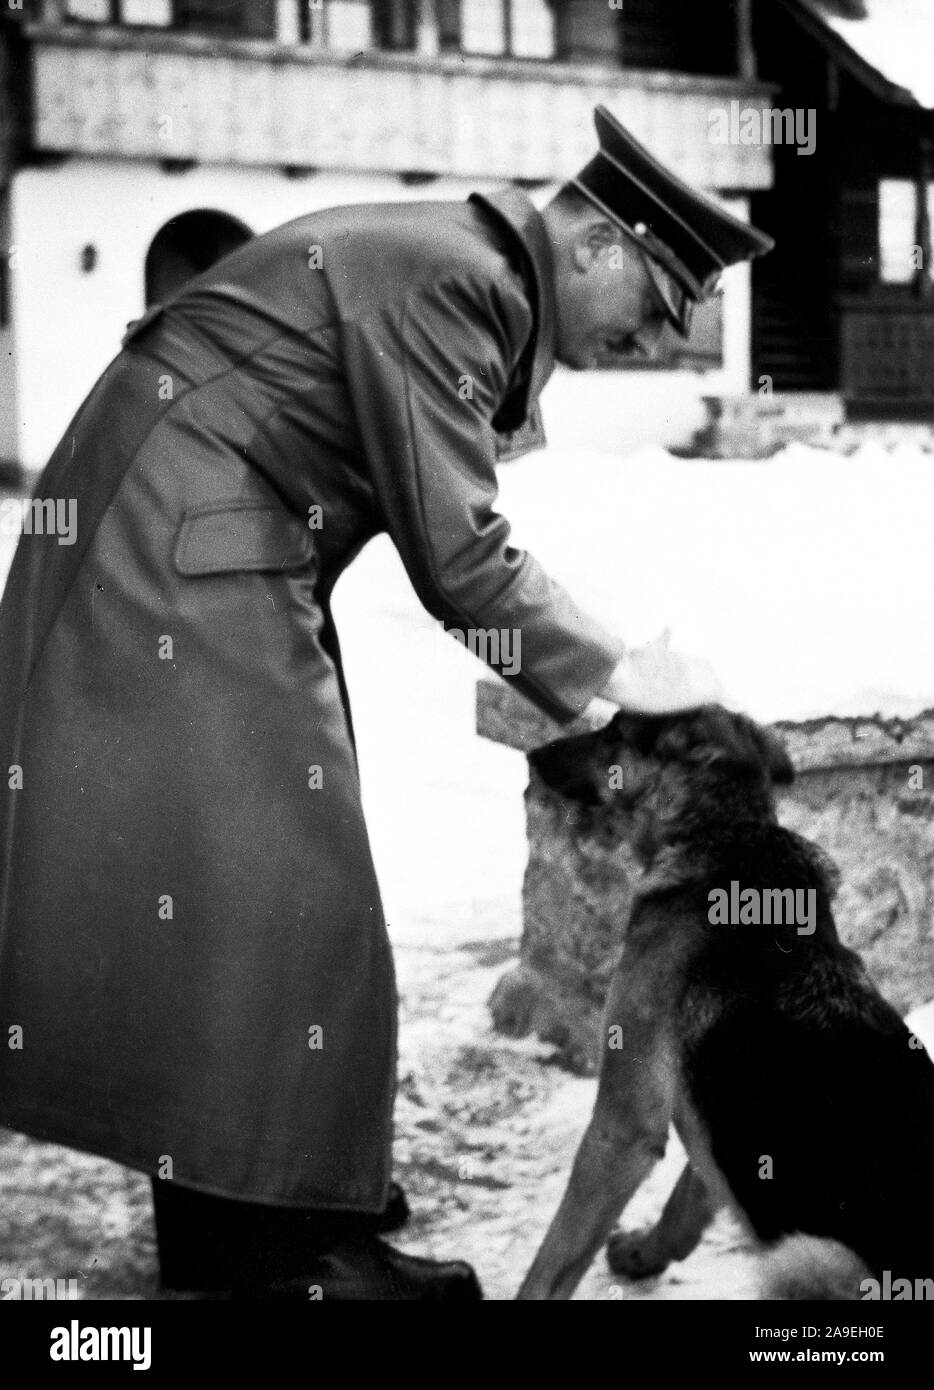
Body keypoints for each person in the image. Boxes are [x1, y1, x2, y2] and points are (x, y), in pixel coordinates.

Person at [0, 106, 773, 1299]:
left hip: (200, 536)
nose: (649, 342)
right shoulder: (463, 286)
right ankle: (281, 1257)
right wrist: (625, 671)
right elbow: (459, 558)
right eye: (654, 305)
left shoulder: (462, 267)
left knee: (242, 900)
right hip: (173, 546)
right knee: (271, 891)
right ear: (595, 247)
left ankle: (280, 1221)